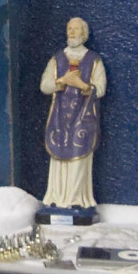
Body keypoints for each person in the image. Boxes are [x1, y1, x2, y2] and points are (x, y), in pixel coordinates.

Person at [40, 16, 106, 209]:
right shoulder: (57, 59)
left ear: (84, 33)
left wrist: (82, 85)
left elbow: (101, 88)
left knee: (79, 154)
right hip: (60, 116)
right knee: (59, 155)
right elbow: (44, 86)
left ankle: (77, 199)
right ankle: (57, 197)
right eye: (69, 28)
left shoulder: (93, 60)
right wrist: (61, 81)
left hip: (83, 116)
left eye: (76, 29)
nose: (71, 32)